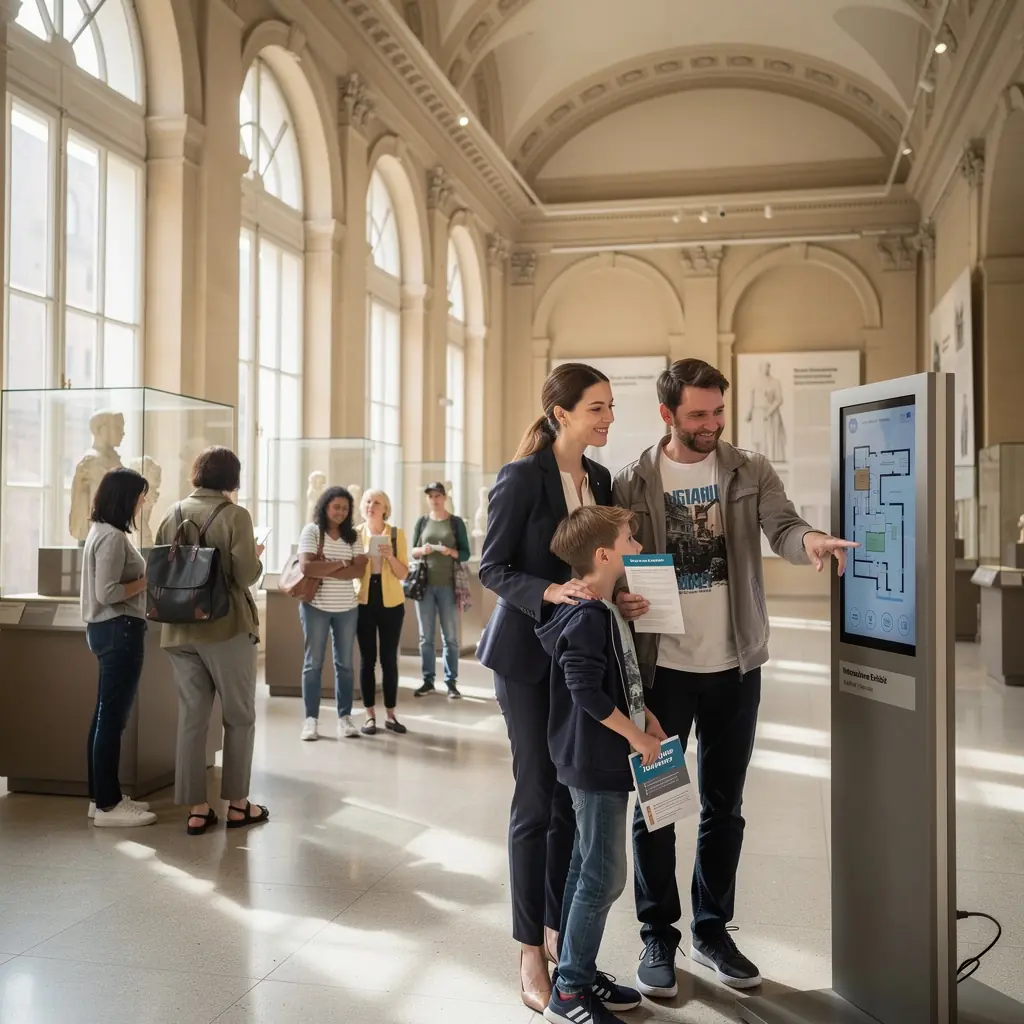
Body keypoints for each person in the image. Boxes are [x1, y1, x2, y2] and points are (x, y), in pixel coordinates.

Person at [612, 359, 856, 995]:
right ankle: (657, 936)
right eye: (697, 415)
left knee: (725, 805)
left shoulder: (748, 469)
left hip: (734, 669)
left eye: (718, 412)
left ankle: (712, 929)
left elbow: (783, 524)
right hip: (662, 671)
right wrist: (619, 598)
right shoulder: (631, 482)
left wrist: (812, 542)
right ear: (667, 414)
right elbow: (607, 562)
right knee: (658, 806)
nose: (711, 425)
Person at [477, 362, 615, 1013]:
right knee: (535, 797)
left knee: (569, 801)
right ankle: (529, 947)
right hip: (526, 658)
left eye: (610, 407)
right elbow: (493, 566)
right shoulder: (520, 478)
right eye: (596, 408)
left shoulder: (604, 479)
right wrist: (549, 590)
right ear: (561, 414)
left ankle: (562, 936)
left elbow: (604, 565)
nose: (607, 419)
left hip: (579, 659)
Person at [536, 504, 666, 1023]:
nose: (637, 548)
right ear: (603, 553)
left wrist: (647, 715)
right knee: (605, 875)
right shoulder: (589, 615)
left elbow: (616, 676)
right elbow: (585, 689)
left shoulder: (601, 607)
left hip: (589, 757)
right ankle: (569, 989)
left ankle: (577, 972)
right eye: (630, 541)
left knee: (582, 864)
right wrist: (635, 736)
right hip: (595, 761)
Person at [155, 446, 270, 836]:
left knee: (192, 718)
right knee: (239, 716)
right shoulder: (235, 515)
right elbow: (244, 575)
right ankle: (238, 805)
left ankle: (196, 808)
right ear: (232, 479)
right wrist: (255, 555)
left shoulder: (172, 512)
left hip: (178, 630)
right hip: (225, 628)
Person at [81, 467, 157, 828]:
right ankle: (109, 806)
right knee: (112, 719)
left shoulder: (100, 531)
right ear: (125, 499)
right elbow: (108, 592)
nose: (141, 505)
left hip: (107, 630)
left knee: (104, 716)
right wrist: (147, 581)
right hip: (119, 630)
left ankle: (101, 798)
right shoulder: (111, 537)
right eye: (140, 499)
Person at [297, 486, 369, 742]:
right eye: (336, 506)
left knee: (345, 665)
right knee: (313, 664)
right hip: (315, 607)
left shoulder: (353, 536)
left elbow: (358, 571)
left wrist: (324, 566)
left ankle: (345, 718)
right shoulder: (312, 531)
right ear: (325, 506)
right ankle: (310, 720)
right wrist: (341, 563)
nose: (340, 512)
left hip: (347, 609)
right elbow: (307, 567)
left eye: (345, 508)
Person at [410, 481, 471, 700]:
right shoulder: (422, 521)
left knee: (451, 637)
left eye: (438, 496)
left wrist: (450, 552)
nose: (434, 500)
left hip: (449, 586)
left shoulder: (455, 523)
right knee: (425, 636)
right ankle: (427, 681)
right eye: (430, 496)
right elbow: (412, 551)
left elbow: (465, 553)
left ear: (444, 498)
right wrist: (423, 550)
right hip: (424, 586)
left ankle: (451, 682)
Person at [356, 489, 409, 736]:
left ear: (385, 508)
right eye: (367, 501)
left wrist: (390, 558)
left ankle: (390, 714)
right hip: (363, 599)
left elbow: (404, 574)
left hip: (391, 602)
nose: (371, 506)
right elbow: (351, 570)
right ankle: (369, 716)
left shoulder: (397, 535)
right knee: (368, 660)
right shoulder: (355, 534)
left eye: (376, 502)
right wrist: (362, 559)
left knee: (389, 660)